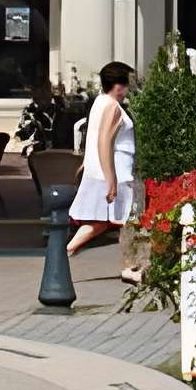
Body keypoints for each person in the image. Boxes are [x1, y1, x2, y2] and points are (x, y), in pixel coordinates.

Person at [66, 61, 141, 280]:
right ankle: (130, 267)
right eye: (127, 83)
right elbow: (104, 142)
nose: (129, 89)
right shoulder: (113, 107)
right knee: (126, 219)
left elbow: (94, 137)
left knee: (103, 221)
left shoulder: (99, 102)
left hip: (101, 171)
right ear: (118, 85)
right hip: (115, 172)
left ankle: (67, 251)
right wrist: (111, 181)